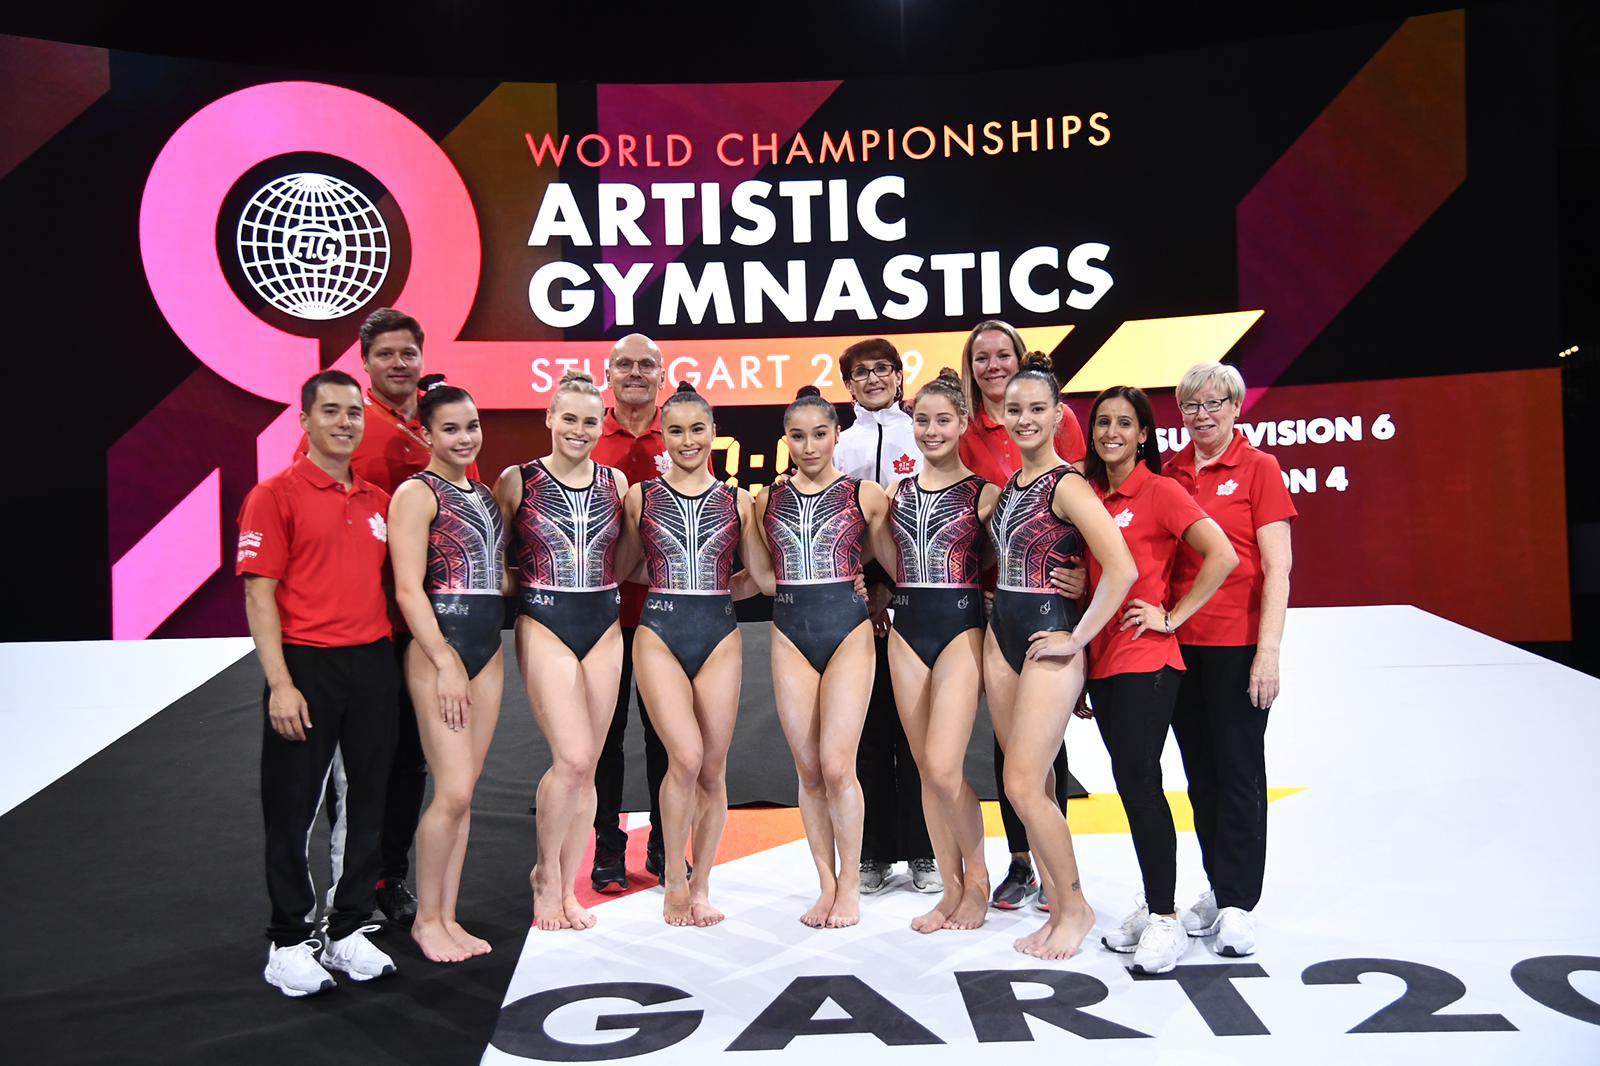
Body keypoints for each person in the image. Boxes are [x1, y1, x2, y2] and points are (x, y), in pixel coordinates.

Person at [295, 307, 479, 928]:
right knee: (363, 759)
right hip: (363, 623)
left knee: (413, 762)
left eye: (408, 353)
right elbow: (313, 511)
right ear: (365, 361)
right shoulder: (350, 427)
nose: (399, 364)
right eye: (386, 355)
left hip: (431, 627)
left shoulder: (441, 425)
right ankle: (353, 883)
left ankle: (390, 874)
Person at [240, 369, 400, 997]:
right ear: (303, 420)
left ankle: (348, 928)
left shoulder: (377, 501)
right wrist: (280, 683)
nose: (344, 422)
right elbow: (260, 595)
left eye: (353, 412)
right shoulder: (273, 494)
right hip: (306, 666)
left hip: (372, 664)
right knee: (294, 808)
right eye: (330, 411)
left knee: (366, 803)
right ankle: (287, 940)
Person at [1078, 386, 1237, 975]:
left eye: (1125, 423)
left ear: (1144, 434)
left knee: (1142, 784)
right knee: (1130, 785)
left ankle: (1165, 918)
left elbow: (1222, 556)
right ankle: (1156, 901)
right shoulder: (1088, 493)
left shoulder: (1161, 490)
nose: (1112, 432)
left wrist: (1172, 615)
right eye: (1103, 423)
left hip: (1148, 658)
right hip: (1101, 660)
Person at [984, 353, 1136, 960]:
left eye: (1036, 409)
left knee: (1022, 783)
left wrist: (1078, 637)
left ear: (1057, 416)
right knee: (1032, 779)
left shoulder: (1068, 483)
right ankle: (1053, 897)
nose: (1024, 419)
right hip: (1003, 639)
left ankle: (1075, 905)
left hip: (1050, 639)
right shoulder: (1012, 485)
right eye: (1014, 409)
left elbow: (1121, 567)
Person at [622, 382, 771, 927]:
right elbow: (623, 568)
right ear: (663, 436)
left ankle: (703, 882)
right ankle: (674, 881)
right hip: (658, 631)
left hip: (719, 634)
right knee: (683, 758)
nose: (688, 441)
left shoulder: (738, 500)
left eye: (697, 429)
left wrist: (840, 581)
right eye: (676, 431)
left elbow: (759, 578)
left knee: (711, 768)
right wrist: (675, 583)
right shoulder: (642, 495)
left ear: (713, 433)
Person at [1163, 363, 1296, 958]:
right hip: (1180, 648)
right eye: (1191, 406)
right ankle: (1219, 887)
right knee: (1201, 778)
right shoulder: (1169, 474)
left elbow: (1279, 568)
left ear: (1236, 407)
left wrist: (1268, 651)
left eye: (1214, 403)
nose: (1203, 415)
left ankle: (1241, 903)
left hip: (1239, 647)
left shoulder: (1259, 468)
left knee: (1240, 775)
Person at [956, 319, 1088, 911]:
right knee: (1010, 757)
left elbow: (1087, 510)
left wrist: (1084, 590)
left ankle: (1066, 892)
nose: (992, 365)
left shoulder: (1059, 428)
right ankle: (1025, 864)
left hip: (1052, 606)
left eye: (1001, 354)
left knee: (1036, 762)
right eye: (980, 357)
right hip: (996, 603)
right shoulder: (966, 430)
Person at [496, 371, 632, 932]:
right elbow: (496, 558)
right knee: (571, 759)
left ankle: (569, 883)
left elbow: (626, 558)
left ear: (603, 424)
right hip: (545, 619)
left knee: (590, 766)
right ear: (549, 419)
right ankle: (545, 878)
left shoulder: (617, 482)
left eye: (590, 420)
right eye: (569, 418)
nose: (579, 429)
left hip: (603, 620)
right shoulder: (517, 480)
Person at [756, 386, 891, 928]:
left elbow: (905, 568)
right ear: (786, 439)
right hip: (790, 632)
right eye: (797, 436)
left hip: (848, 633)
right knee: (809, 769)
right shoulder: (766, 500)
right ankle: (825, 884)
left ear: (837, 435)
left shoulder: (867, 495)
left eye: (819, 434)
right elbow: (763, 577)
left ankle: (852, 883)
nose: (809, 446)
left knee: (838, 765)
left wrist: (876, 595)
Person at [874, 368, 1000, 932]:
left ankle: (978, 881)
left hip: (959, 630)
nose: (930, 430)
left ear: (962, 424)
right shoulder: (896, 495)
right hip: (907, 630)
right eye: (921, 421)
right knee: (927, 770)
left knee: (947, 767)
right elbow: (887, 560)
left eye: (942, 420)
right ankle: (949, 889)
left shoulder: (985, 494)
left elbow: (1009, 561)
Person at [388, 384, 508, 963]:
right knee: (452, 790)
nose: (465, 438)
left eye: (472, 425)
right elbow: (409, 589)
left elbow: (493, 575)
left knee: (464, 795)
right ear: (426, 434)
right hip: (442, 652)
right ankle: (425, 920)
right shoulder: (416, 493)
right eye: (452, 429)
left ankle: (448, 915)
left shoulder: (484, 496)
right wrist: (443, 660)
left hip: (486, 649)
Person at [832, 338, 938, 897]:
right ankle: (872, 853)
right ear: (848, 384)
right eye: (860, 373)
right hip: (854, 602)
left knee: (916, 729)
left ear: (900, 376)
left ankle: (924, 849)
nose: (872, 379)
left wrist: (894, 592)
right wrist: (866, 592)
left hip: (914, 594)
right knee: (867, 731)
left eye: (882, 370)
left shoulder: (919, 434)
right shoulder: (839, 445)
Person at [588, 335, 677, 892]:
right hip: (601, 618)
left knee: (666, 736)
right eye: (625, 364)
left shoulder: (684, 430)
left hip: (668, 616)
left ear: (662, 374)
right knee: (606, 737)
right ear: (609, 373)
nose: (636, 373)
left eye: (647, 364)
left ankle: (668, 845)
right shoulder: (587, 432)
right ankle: (607, 847)